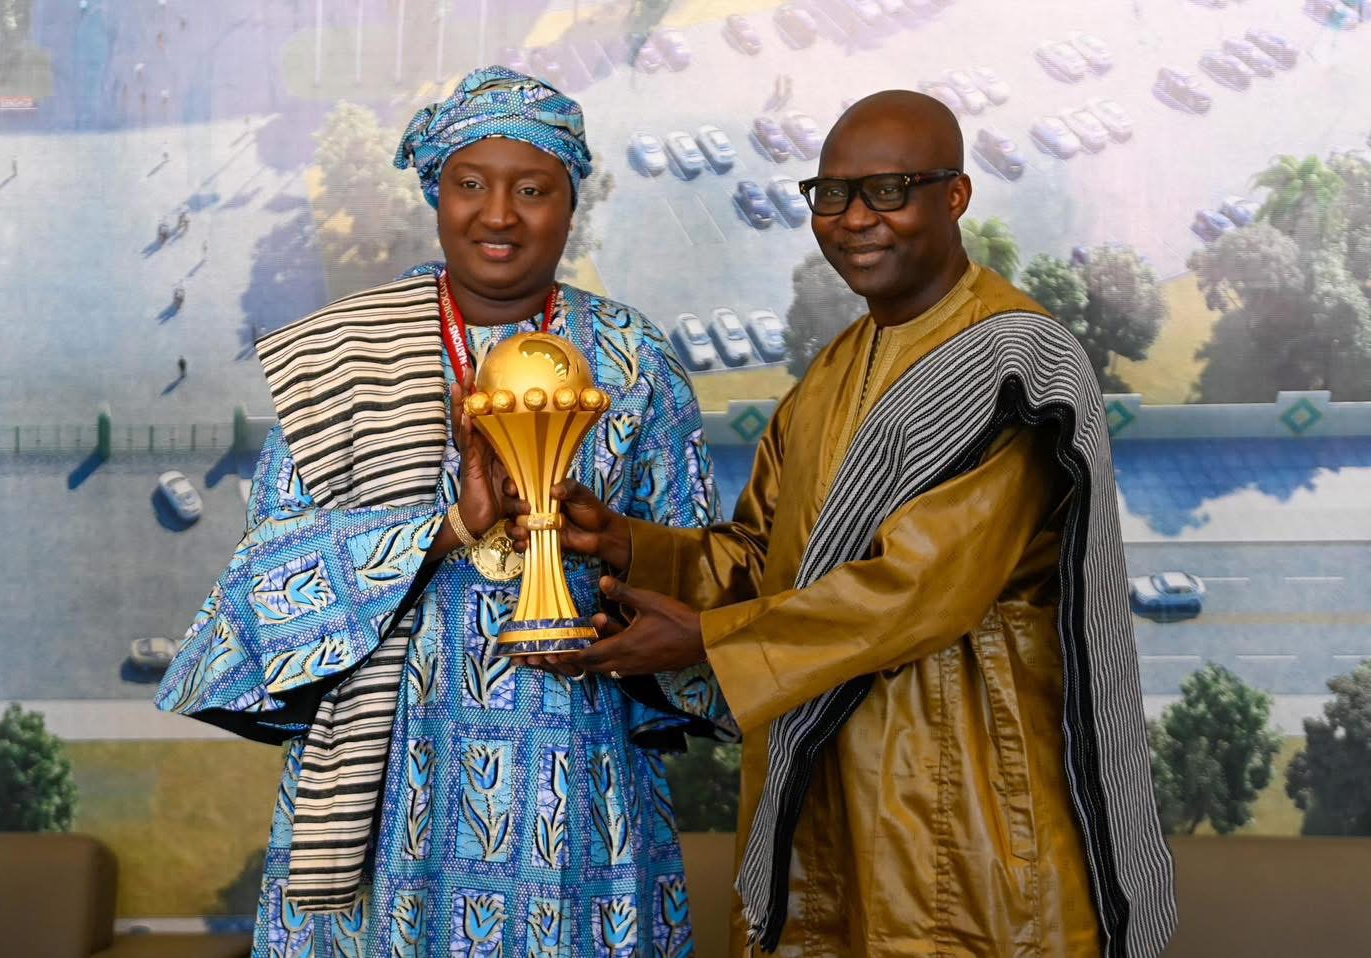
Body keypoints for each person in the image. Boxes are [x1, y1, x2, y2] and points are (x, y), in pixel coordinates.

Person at [518, 90, 1177, 956]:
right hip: (822, 784)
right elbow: (766, 555)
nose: (855, 219)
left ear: (955, 195)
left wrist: (707, 641)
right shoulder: (834, 369)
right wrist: (631, 544)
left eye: (888, 190)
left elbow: (919, 591)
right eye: (831, 195)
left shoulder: (1015, 364)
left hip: (960, 792)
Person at [155, 66, 733, 957]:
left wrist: (620, 550)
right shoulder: (344, 355)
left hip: (576, 760)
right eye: (470, 184)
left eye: (532, 190)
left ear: (570, 205)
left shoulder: (634, 359)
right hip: (391, 771)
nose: (498, 215)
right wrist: (449, 528)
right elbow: (266, 588)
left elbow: (703, 573)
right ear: (436, 194)